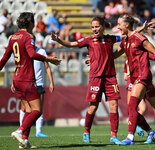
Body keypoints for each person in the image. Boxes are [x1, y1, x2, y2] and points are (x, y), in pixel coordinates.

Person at [51, 16, 123, 145]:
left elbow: (126, 36)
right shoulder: (89, 40)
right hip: (96, 78)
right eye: (92, 27)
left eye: (96, 26)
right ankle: (86, 131)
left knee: (114, 106)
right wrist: (59, 40)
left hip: (110, 77)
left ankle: (113, 136)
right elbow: (71, 44)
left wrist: (140, 29)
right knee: (93, 107)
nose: (94, 29)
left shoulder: (110, 39)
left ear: (102, 27)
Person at [0, 12, 61, 149]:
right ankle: (19, 131)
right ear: (30, 23)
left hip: (16, 79)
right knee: (37, 111)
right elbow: (32, 54)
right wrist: (49, 59)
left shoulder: (13, 37)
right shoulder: (28, 37)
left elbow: (4, 58)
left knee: (28, 110)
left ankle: (24, 141)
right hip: (27, 79)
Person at [114, 14, 155, 145]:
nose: (118, 27)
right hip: (134, 77)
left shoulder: (139, 38)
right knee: (132, 109)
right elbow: (114, 55)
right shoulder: (125, 41)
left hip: (143, 76)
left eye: (119, 24)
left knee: (133, 106)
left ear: (127, 25)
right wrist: (96, 58)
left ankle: (130, 138)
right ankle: (151, 132)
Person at [14, 44, 54, 138]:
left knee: (39, 108)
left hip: (39, 83)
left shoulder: (41, 51)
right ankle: (22, 130)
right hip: (27, 83)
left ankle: (38, 131)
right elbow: (19, 67)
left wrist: (51, 82)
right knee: (24, 108)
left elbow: (47, 67)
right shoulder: (24, 51)